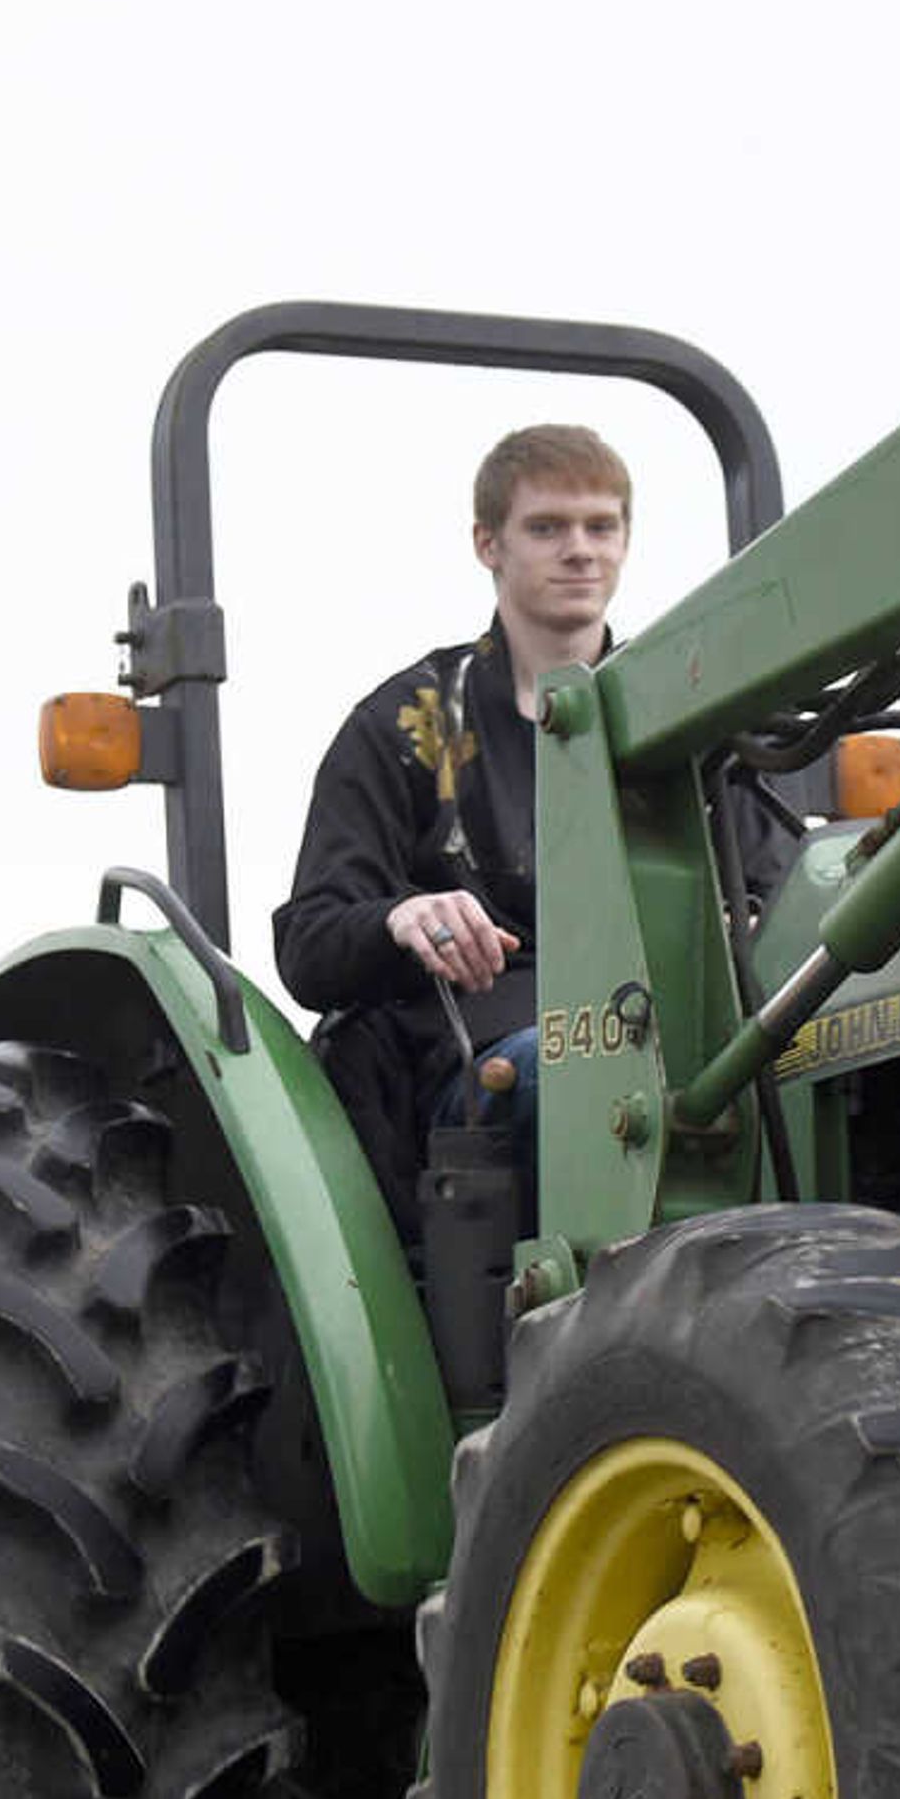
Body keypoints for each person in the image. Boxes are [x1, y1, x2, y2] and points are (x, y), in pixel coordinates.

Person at [273, 424, 638, 1230]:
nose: (579, 550)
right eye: (547, 527)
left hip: (686, 1029)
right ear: (489, 544)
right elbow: (310, 942)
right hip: (484, 1053)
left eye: (600, 526)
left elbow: (774, 884)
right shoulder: (407, 726)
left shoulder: (696, 714)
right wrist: (401, 917)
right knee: (577, 1074)